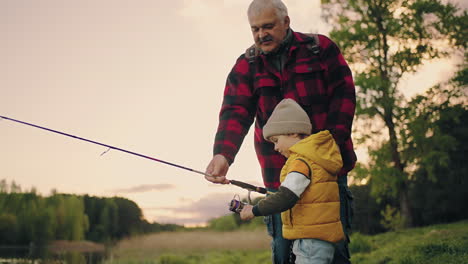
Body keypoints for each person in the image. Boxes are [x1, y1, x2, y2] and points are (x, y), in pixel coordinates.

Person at [205, 0, 356, 263]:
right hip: (279, 175)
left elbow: (344, 96)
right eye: (255, 29)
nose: (261, 34)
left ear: (286, 22)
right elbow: (235, 111)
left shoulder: (320, 49)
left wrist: (325, 146)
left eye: (268, 26)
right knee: (283, 249)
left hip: (327, 175)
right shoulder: (246, 65)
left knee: (333, 249)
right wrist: (222, 155)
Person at [240, 98, 344, 264]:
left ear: (293, 133)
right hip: (320, 239)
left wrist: (254, 210)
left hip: (310, 241)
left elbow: (286, 197)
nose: (275, 148)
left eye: (276, 140)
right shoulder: (317, 158)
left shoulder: (301, 162)